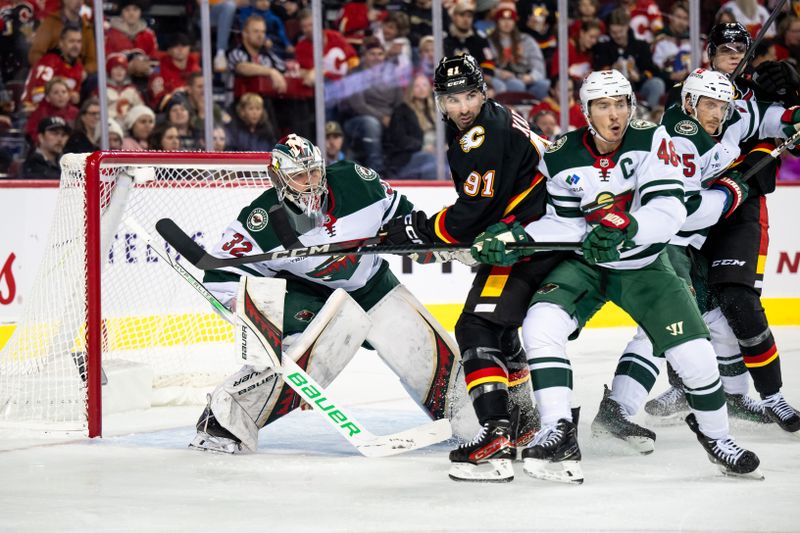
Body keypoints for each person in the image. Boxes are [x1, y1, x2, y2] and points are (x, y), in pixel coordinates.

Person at [471, 69, 762, 482]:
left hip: (646, 263)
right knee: (540, 324)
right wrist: (519, 237)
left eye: (621, 103)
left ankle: (718, 438)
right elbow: (565, 224)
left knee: (696, 357)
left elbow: (669, 210)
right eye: (604, 106)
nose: (615, 115)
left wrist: (628, 230)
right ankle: (559, 429)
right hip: (589, 264)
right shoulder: (561, 153)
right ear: (586, 111)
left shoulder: (654, 140)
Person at [189, 134, 473, 454]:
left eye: (314, 172)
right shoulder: (262, 222)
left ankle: (471, 419)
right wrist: (258, 317)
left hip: (371, 285)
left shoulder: (357, 184)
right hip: (309, 295)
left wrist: (446, 246)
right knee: (310, 351)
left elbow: (405, 224)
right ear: (277, 177)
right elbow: (221, 278)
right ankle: (223, 422)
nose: (310, 183)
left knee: (423, 350)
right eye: (298, 175)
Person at [593, 67, 800, 452]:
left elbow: (760, 115)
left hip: (688, 246)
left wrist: (789, 118)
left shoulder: (727, 116)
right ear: (688, 103)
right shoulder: (681, 139)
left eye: (722, 105)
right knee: (661, 328)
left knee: (718, 319)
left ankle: (735, 396)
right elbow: (686, 210)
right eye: (708, 104)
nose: (716, 113)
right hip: (663, 243)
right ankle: (615, 409)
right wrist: (732, 190)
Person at [380, 54, 559, 482]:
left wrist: (421, 229)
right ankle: (524, 422)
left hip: (528, 241)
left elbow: (475, 212)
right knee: (499, 329)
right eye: (452, 98)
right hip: (537, 232)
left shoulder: (480, 135)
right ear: (439, 101)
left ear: (484, 93)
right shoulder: (495, 119)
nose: (462, 107)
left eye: (470, 96)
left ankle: (496, 430)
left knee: (476, 328)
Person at [648, 22, 800, 433]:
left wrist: (795, 91)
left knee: (738, 300)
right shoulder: (687, 99)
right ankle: (688, 386)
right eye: (725, 47)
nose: (733, 54)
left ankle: (771, 396)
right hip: (697, 213)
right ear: (709, 52)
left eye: (741, 48)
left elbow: (789, 127)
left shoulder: (758, 98)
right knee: (687, 302)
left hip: (739, 208)